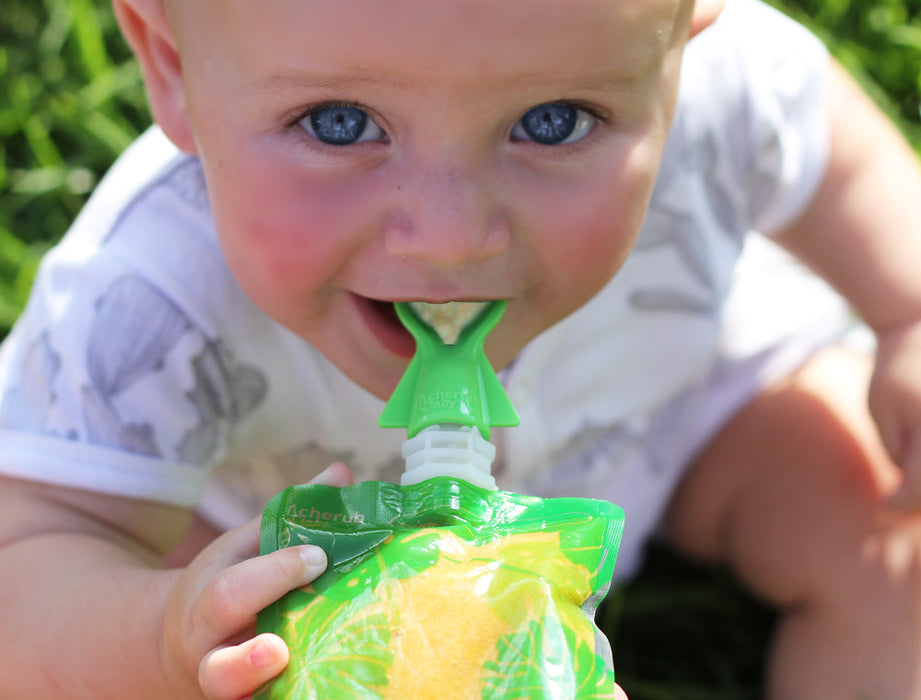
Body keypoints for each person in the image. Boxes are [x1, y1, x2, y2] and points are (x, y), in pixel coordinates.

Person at [1, 0, 921, 696]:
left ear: (681, 41)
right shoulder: (149, 298)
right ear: (170, 63)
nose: (451, 237)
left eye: (553, 120)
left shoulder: (719, 80)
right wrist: (165, 628)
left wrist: (907, 312)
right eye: (338, 123)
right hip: (295, 535)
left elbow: (838, 159)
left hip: (677, 408)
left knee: (896, 539)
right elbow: (27, 558)